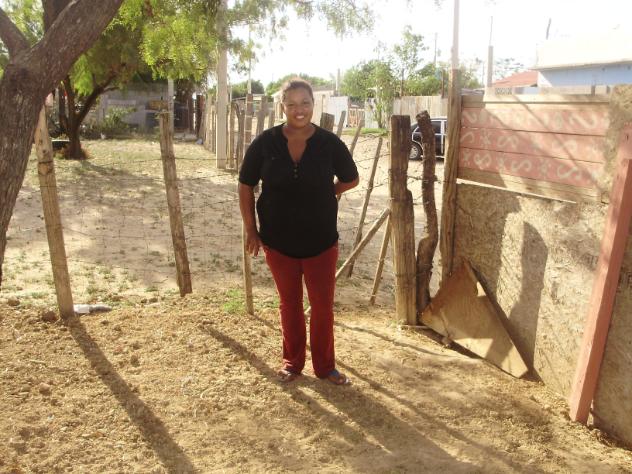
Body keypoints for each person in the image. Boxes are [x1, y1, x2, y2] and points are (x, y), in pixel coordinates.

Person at [238, 78, 359, 385]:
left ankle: (325, 368)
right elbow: (245, 184)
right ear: (282, 107)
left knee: (322, 307)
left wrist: (329, 192)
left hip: (321, 242)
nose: (299, 109)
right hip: (277, 243)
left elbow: (351, 178)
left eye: (305, 102)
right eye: (291, 104)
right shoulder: (265, 143)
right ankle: (292, 363)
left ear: (313, 104)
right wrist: (251, 230)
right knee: (289, 304)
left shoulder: (329, 143)